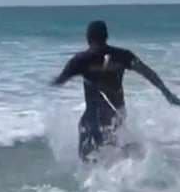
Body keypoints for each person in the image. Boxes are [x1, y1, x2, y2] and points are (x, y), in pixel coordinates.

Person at [51, 20, 180, 161]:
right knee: (114, 148)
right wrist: (167, 94)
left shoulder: (80, 60)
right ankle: (138, 160)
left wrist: (52, 81)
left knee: (88, 155)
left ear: (88, 37)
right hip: (117, 113)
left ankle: (105, 170)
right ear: (106, 36)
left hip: (92, 117)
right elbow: (148, 73)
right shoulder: (123, 55)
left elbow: (60, 81)